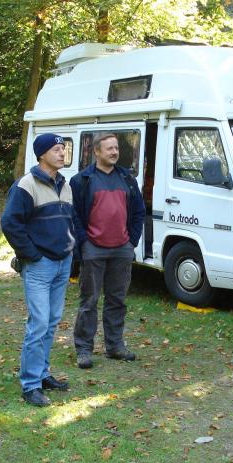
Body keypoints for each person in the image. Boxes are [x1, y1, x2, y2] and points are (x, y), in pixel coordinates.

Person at [1, 133, 75, 407]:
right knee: (39, 323)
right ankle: (30, 384)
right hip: (40, 265)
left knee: (52, 321)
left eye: (63, 149)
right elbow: (10, 223)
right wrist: (31, 254)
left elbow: (71, 221)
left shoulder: (65, 185)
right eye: (57, 149)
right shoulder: (26, 185)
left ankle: (43, 375)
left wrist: (71, 248)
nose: (62, 153)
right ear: (42, 154)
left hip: (63, 262)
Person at [70, 132, 145, 369]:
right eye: (109, 149)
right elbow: (74, 216)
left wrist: (131, 241)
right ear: (97, 152)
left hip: (122, 249)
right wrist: (84, 242)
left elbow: (139, 211)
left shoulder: (127, 179)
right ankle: (84, 350)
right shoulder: (82, 180)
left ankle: (115, 346)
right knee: (89, 301)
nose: (114, 152)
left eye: (116, 148)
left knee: (117, 300)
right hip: (93, 248)